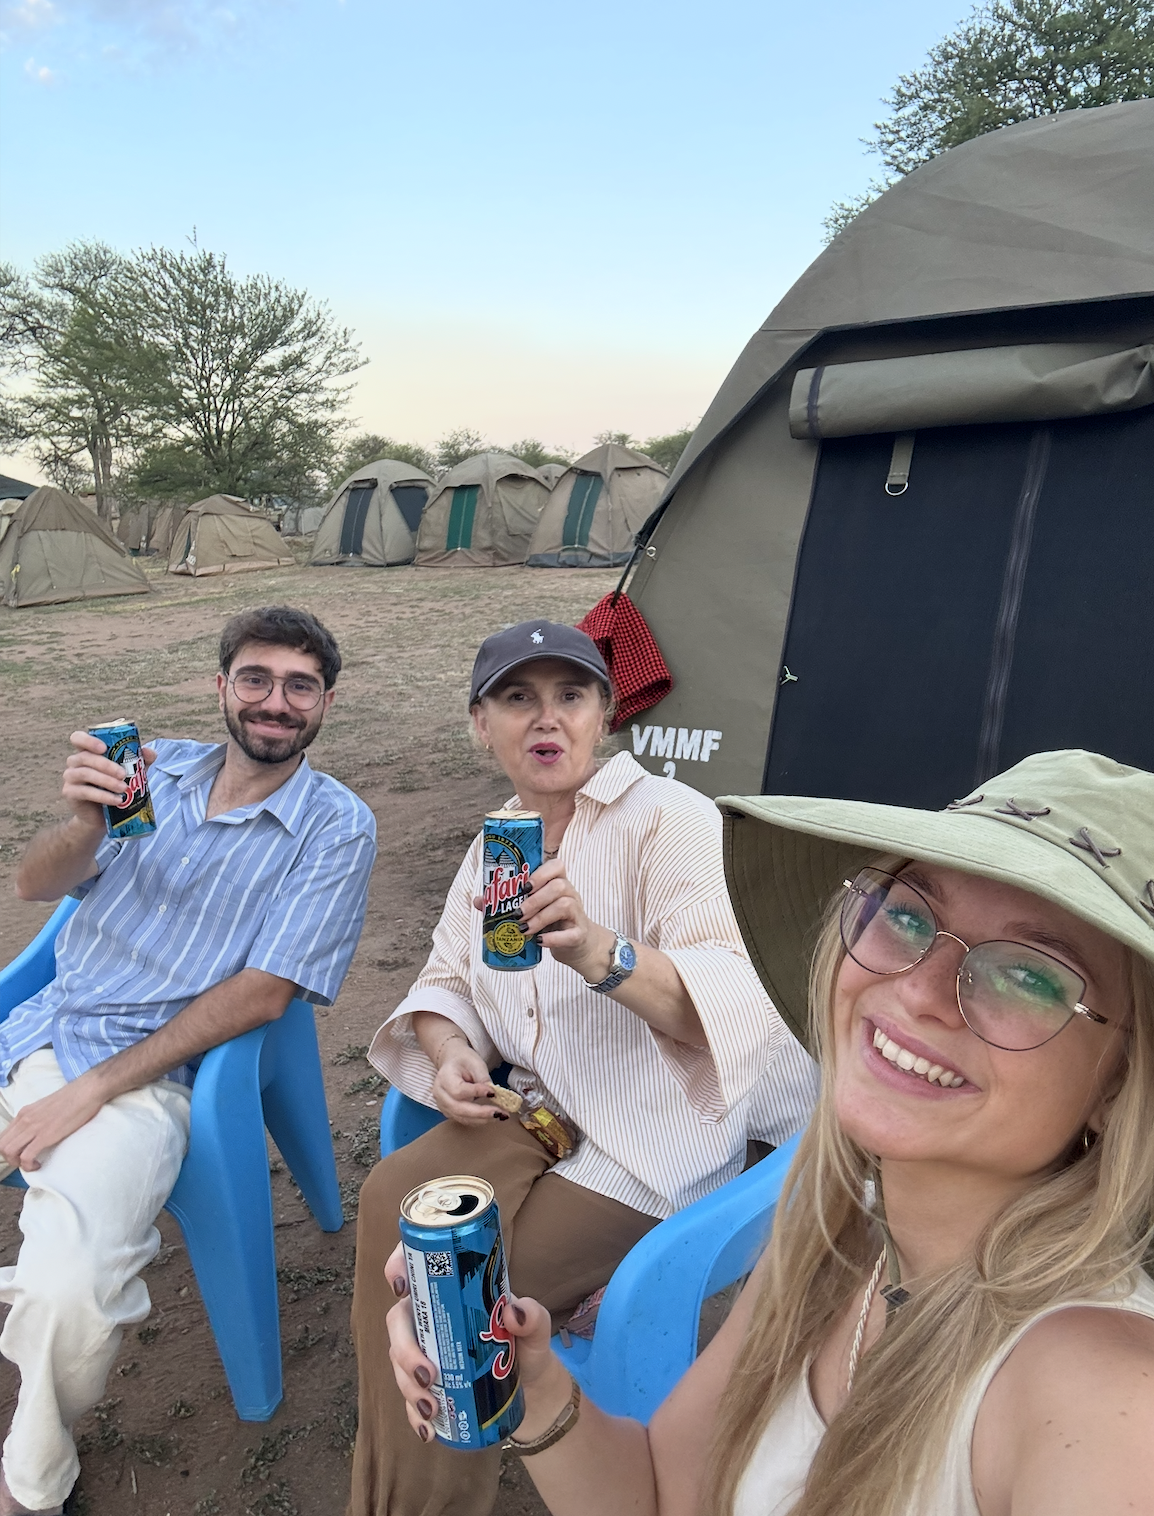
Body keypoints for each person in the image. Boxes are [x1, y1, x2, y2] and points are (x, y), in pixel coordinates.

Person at [387, 747, 1154, 1516]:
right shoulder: (838, 1224)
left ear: (1120, 1082)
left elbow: (702, 1010)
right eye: (909, 915)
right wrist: (537, 1387)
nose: (918, 991)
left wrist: (597, 951)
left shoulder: (1101, 1401)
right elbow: (664, 1497)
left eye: (1030, 975)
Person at [348, 619, 814, 1516]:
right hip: (537, 1111)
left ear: (606, 715)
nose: (545, 718)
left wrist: (605, 955)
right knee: (388, 1202)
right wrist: (449, 1056)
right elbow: (449, 979)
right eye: (517, 698)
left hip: (657, 1135)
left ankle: (414, 1503)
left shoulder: (668, 821)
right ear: (481, 726)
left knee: (455, 1302)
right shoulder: (498, 846)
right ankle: (407, 1464)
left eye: (570, 695)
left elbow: (729, 997)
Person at [2, 605, 377, 1516]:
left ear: (325, 703)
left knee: (69, 1289)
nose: (274, 702)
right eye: (255, 678)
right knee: (60, 1260)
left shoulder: (335, 827)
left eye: (299, 686)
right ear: (223, 687)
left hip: (151, 1079)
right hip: (43, 1025)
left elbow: (264, 995)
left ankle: (31, 1483)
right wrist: (86, 823)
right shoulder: (152, 770)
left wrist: (86, 1092)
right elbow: (34, 884)